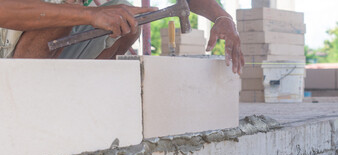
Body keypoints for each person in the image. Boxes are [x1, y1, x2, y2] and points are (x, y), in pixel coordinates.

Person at [0, 0, 244, 74]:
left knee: (126, 21)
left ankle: (76, 99)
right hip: (9, 56)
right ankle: (27, 101)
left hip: (49, 54)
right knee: (67, 12)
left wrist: (223, 18)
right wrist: (90, 14)